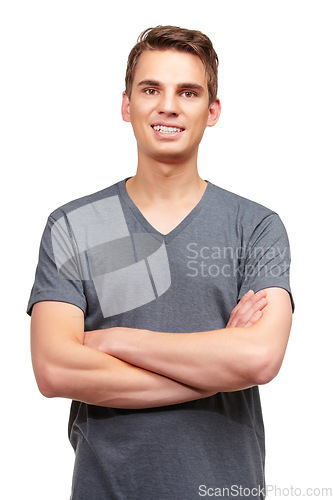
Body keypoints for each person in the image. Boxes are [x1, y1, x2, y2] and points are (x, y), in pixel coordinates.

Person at [27, 25, 294, 500]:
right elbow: (55, 370)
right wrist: (217, 367)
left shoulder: (256, 226)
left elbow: (259, 357)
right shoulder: (74, 226)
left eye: (188, 92)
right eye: (151, 89)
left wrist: (112, 340)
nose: (168, 106)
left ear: (212, 111)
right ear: (127, 104)